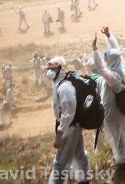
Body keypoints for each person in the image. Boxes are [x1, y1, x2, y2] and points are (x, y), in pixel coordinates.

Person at [92, 26, 125, 170]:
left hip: (111, 110)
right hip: (122, 108)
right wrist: (108, 36)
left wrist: (94, 49)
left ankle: (121, 159)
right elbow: (116, 50)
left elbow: (100, 68)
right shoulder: (122, 68)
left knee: (115, 136)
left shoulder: (112, 77)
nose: (106, 60)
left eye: (107, 58)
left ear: (111, 61)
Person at [47, 55, 90, 183]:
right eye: (48, 69)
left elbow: (68, 114)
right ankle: (84, 178)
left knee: (60, 162)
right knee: (78, 154)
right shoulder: (59, 84)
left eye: (53, 69)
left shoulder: (65, 87)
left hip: (69, 127)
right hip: (71, 126)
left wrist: (60, 134)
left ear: (60, 69)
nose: (49, 72)